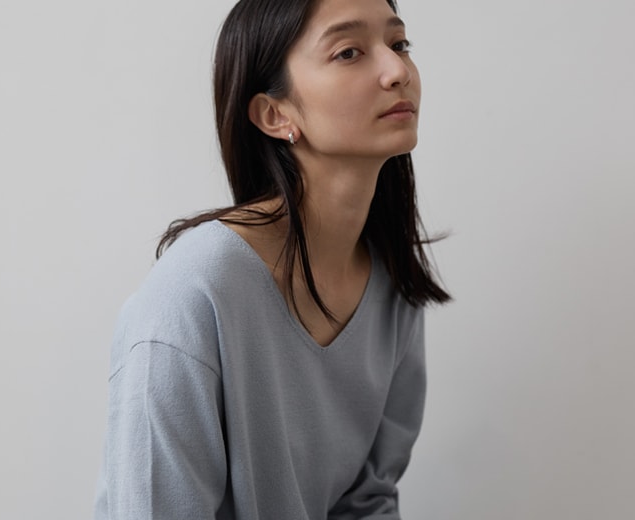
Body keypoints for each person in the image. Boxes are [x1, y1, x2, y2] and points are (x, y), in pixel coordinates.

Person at [94, 0, 451, 517]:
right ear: (274, 114)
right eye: (349, 52)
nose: (397, 70)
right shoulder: (194, 293)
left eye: (399, 44)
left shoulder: (394, 282)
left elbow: (367, 503)